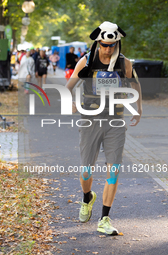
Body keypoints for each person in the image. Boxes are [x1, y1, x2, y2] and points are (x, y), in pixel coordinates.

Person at [65, 21, 142, 235]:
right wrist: (71, 102)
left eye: (112, 45)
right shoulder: (87, 62)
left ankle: (104, 218)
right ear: (98, 42)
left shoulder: (124, 64)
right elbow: (69, 87)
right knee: (86, 168)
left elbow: (135, 85)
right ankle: (87, 197)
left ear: (117, 43)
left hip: (115, 121)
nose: (108, 49)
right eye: (105, 45)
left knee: (114, 168)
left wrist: (139, 109)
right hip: (90, 120)